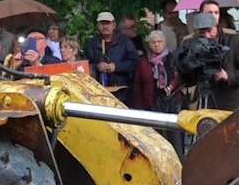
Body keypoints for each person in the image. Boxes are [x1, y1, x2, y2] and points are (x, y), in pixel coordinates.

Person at [133, 30, 184, 159]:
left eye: (159, 41)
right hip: (151, 104)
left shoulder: (173, 58)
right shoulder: (143, 62)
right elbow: (138, 84)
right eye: (153, 42)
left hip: (172, 104)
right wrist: (139, 107)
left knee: (174, 139)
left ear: (164, 43)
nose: (157, 44)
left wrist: (171, 85)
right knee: (155, 139)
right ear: (149, 44)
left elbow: (181, 76)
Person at [188, 11, 239, 111]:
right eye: (202, 33)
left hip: (231, 103)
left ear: (216, 27)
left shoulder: (235, 42)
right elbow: (185, 79)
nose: (207, 35)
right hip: (205, 100)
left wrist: (229, 75)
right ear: (195, 32)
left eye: (209, 31)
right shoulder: (191, 46)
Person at [84, 11, 138, 104]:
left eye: (108, 23)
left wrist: (116, 67)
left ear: (114, 25)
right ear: (98, 26)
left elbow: (134, 62)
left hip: (122, 92)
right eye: (102, 24)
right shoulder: (92, 44)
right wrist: (97, 67)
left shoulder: (125, 42)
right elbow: (85, 65)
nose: (105, 26)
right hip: (98, 92)